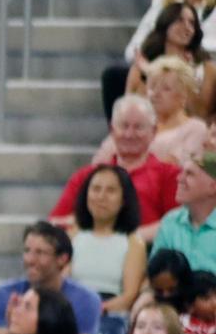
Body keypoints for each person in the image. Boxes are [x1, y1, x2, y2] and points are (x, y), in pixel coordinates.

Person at [50, 95, 179, 235]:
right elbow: (55, 222)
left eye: (138, 127)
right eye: (124, 126)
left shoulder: (170, 175)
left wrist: (128, 240)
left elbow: (177, 225)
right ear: (112, 130)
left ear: (153, 132)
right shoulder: (86, 176)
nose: (130, 134)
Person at [0, 223, 102, 334]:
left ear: (62, 259)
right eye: (27, 251)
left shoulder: (86, 299)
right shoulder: (6, 292)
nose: (30, 260)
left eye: (40, 253)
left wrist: (24, 330)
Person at [65, 164, 147, 316]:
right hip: (72, 313)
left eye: (111, 190)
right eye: (96, 189)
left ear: (124, 200)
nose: (101, 197)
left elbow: (129, 296)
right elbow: (62, 282)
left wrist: (96, 310)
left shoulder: (133, 242)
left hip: (110, 316)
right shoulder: (73, 236)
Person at [148, 151, 216, 277]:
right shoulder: (170, 222)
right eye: (182, 172)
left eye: (189, 174)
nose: (179, 178)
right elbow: (155, 276)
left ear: (213, 187)